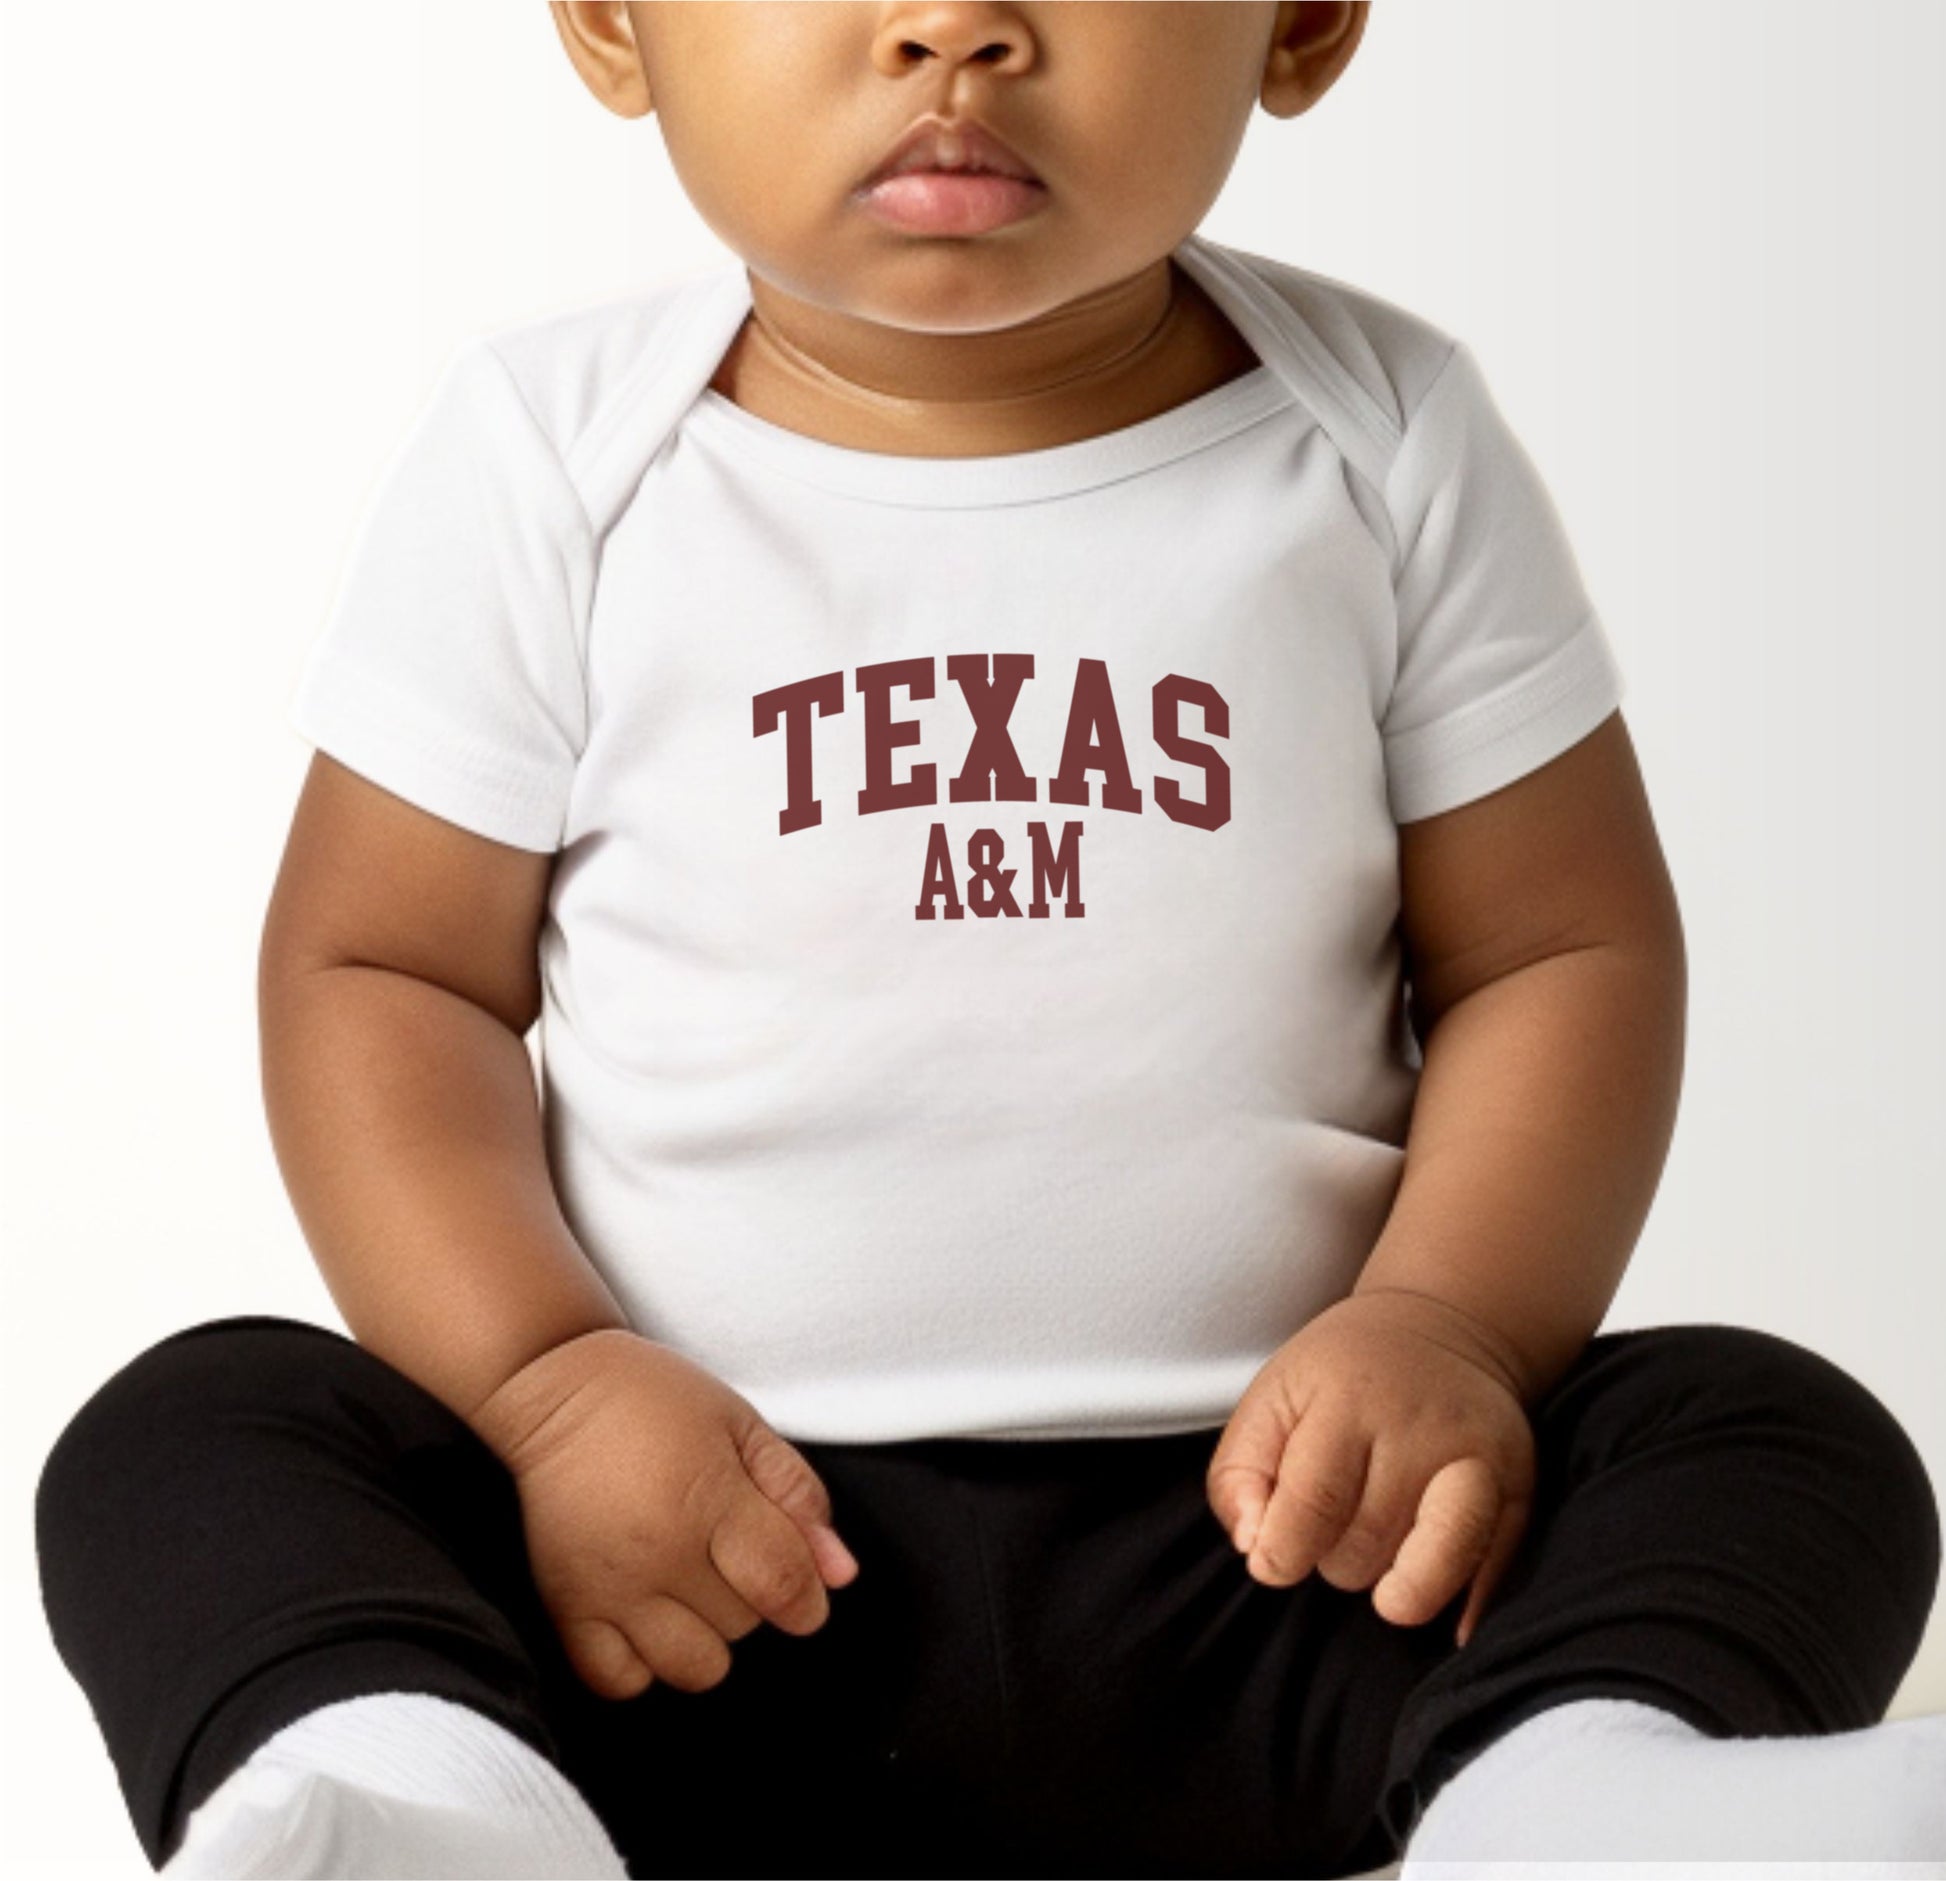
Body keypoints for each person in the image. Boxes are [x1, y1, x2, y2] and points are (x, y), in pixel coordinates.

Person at [34, 5, 1945, 1875]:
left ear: (1302, 23)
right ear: (612, 25)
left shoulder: (1382, 435)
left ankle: (1572, 1805)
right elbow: (387, 972)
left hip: (1288, 1568)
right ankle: (438, 1810)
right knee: (195, 1427)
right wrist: (545, 1387)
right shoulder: (555, 456)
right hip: (679, 1593)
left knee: (1770, 1430)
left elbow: (1556, 948)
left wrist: (1439, 1320)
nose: (953, 29)